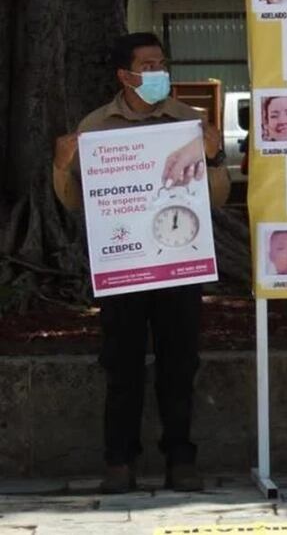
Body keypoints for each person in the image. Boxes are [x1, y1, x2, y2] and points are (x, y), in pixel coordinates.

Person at [53, 32, 229, 493]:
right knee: (121, 363)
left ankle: (180, 458)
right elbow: (74, 203)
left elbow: (218, 199)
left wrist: (212, 159)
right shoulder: (95, 127)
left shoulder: (189, 123)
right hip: (124, 266)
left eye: (162, 63)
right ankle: (119, 460)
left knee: (180, 362)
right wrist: (60, 165)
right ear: (124, 75)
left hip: (179, 263)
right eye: (147, 65)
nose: (157, 73)